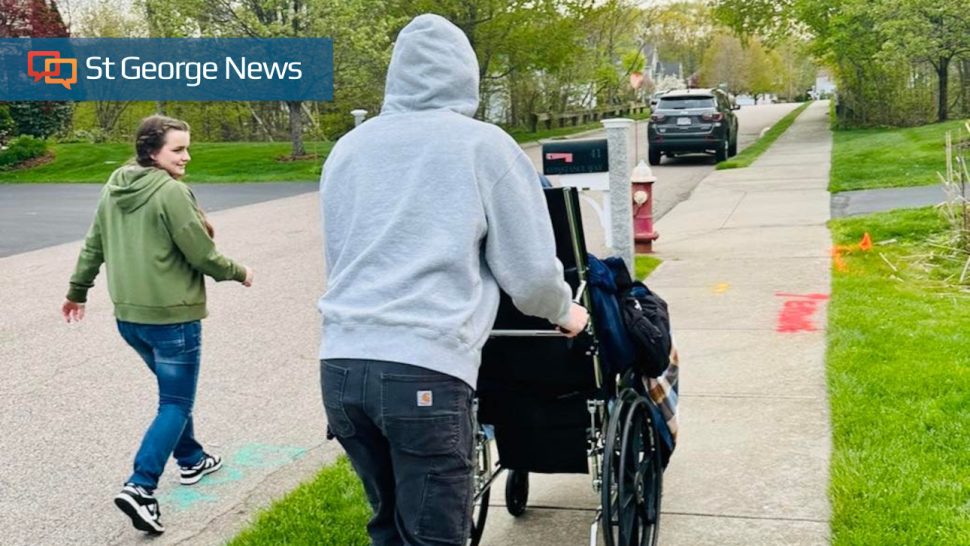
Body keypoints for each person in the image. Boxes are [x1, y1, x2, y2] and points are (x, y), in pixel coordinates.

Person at [318, 14, 588, 546]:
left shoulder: (348, 149)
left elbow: (342, 255)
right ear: (465, 76)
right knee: (435, 537)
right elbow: (531, 275)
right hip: (424, 368)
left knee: (388, 527)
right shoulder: (482, 146)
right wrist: (565, 311)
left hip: (341, 367)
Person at [61, 115, 253, 535]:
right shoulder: (171, 192)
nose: (186, 156)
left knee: (173, 397)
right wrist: (239, 271)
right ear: (152, 152)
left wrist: (78, 290)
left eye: (187, 148)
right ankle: (141, 486)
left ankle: (192, 459)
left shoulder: (115, 185)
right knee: (175, 403)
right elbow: (200, 253)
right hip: (173, 319)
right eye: (178, 149)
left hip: (130, 319)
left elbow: (94, 243)